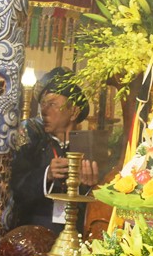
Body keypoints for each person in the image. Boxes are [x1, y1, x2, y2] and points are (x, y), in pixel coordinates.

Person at [10, 68, 98, 232]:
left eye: (52, 104)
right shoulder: (33, 145)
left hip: (77, 231)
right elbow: (16, 188)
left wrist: (89, 187)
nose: (44, 111)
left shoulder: (89, 149)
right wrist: (47, 174)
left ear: (74, 112)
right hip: (36, 231)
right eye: (43, 104)